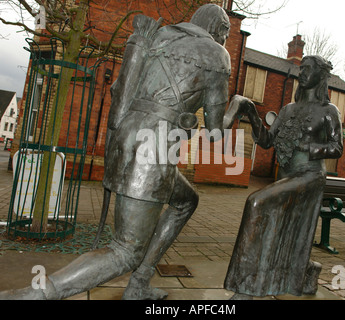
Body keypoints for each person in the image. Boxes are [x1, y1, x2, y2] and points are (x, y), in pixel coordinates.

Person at [0, 4, 245, 300]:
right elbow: (216, 132)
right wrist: (239, 104)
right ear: (218, 28)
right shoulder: (217, 55)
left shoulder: (161, 36)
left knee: (186, 201)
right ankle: (34, 295)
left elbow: (120, 88)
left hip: (126, 136)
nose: (226, 39)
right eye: (226, 32)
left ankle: (139, 282)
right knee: (125, 250)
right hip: (153, 149)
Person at [224, 55, 343, 299]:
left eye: (308, 69)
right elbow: (267, 141)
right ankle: (307, 270)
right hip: (287, 176)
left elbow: (337, 147)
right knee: (275, 222)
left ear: (321, 76)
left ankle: (246, 289)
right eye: (302, 68)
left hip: (310, 176)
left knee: (257, 202)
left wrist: (307, 147)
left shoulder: (328, 111)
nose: (303, 72)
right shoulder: (288, 109)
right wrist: (251, 113)